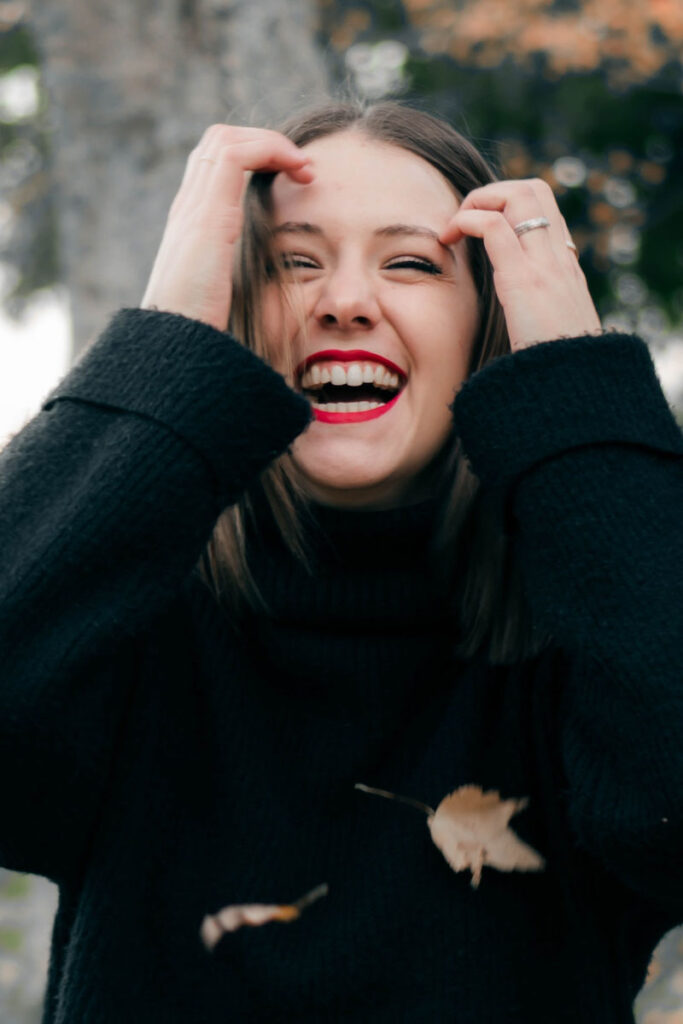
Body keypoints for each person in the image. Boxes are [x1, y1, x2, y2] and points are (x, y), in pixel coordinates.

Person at [1, 99, 682, 1024]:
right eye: (291, 263)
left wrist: (578, 386)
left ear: (489, 324)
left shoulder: (595, 622)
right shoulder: (126, 616)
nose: (345, 302)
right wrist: (164, 346)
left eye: (409, 263)